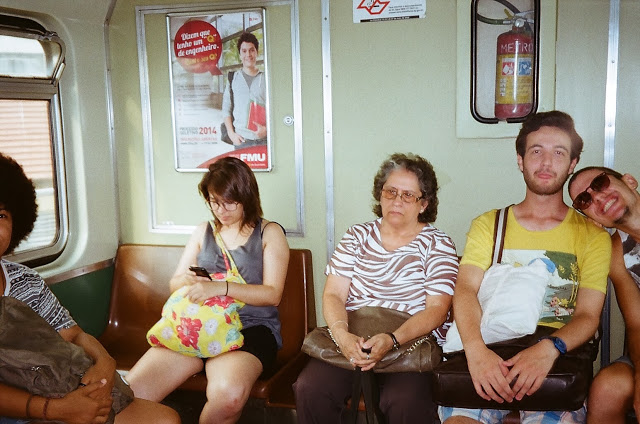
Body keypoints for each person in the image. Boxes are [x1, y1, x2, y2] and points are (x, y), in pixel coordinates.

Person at [439, 111, 611, 424]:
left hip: (554, 363)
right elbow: (464, 290)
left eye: (558, 153)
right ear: (520, 160)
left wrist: (549, 349)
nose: (546, 163)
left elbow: (588, 315)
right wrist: (476, 352)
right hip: (487, 352)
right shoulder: (489, 225)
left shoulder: (592, 236)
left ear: (572, 164)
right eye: (536, 151)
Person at [0, 153, 179, 424]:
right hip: (22, 407)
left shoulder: (25, 280)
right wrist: (54, 410)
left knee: (165, 419)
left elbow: (72, 334)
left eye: (1, 215)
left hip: (49, 385)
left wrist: (105, 362)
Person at [294, 153, 459, 424]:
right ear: (379, 195)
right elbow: (334, 294)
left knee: (404, 401)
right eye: (390, 191)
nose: (397, 200)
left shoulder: (438, 244)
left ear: (424, 204)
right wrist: (342, 337)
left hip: (409, 342)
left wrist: (392, 339)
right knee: (310, 388)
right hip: (353, 337)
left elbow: (437, 310)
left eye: (408, 195)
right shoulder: (356, 236)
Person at [125, 156, 289, 423]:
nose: (221, 210)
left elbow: (273, 294)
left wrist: (220, 288)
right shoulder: (204, 231)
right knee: (130, 394)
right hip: (197, 325)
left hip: (249, 328)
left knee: (228, 395)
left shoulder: (269, 233)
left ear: (247, 196)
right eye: (214, 202)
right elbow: (175, 283)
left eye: (229, 202)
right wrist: (189, 281)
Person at [568, 166, 640, 423]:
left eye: (600, 183)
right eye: (584, 200)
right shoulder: (617, 253)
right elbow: (636, 324)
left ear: (629, 181)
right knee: (608, 388)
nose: (598, 197)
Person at [222, 32, 267, 149]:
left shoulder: (266, 78)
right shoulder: (233, 79)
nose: (248, 54)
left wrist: (267, 130)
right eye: (244, 51)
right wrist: (231, 134)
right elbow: (226, 109)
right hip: (241, 141)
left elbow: (276, 108)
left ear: (257, 52)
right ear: (240, 54)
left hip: (264, 141)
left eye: (252, 50)